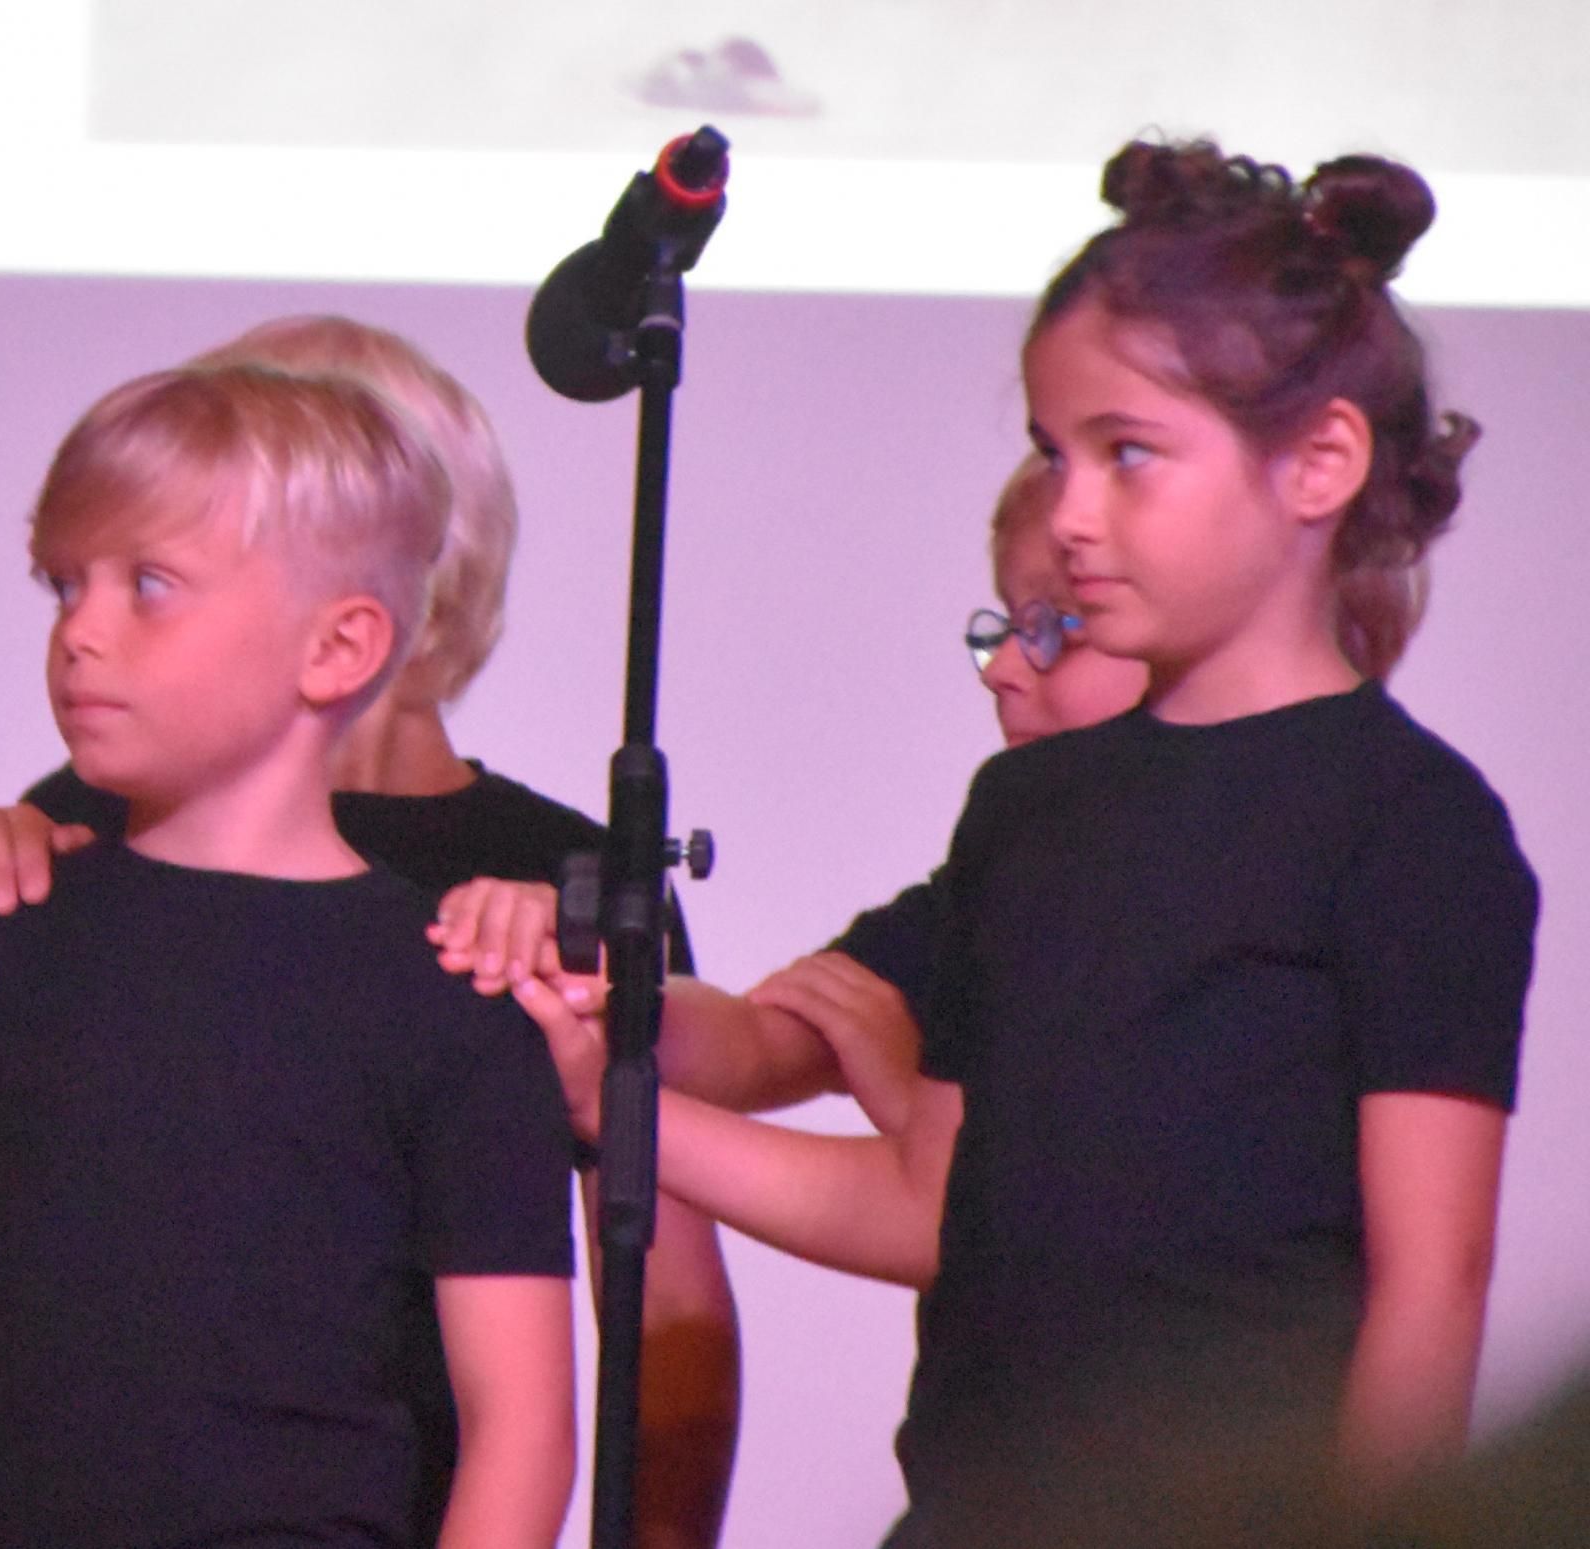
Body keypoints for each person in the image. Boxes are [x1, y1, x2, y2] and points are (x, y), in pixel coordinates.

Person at [492, 141, 1530, 1546]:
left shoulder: (1410, 826)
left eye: (1128, 454)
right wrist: (604, 1076)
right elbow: (947, 1206)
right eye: (1055, 453)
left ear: (1321, 463)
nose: (1073, 514)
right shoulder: (1030, 812)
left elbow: (1430, 1292)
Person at [0, 315, 735, 1546]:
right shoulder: (66, 842)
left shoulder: (549, 896)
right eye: (72, 580)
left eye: (153, 574)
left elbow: (658, 1311)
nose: (86, 629)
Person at [432, 455, 1157, 1136]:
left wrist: (915, 1113)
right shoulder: (995, 877)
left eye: (1050, 627)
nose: (1000, 669)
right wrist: (606, 983)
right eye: (1007, 625)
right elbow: (761, 1040)